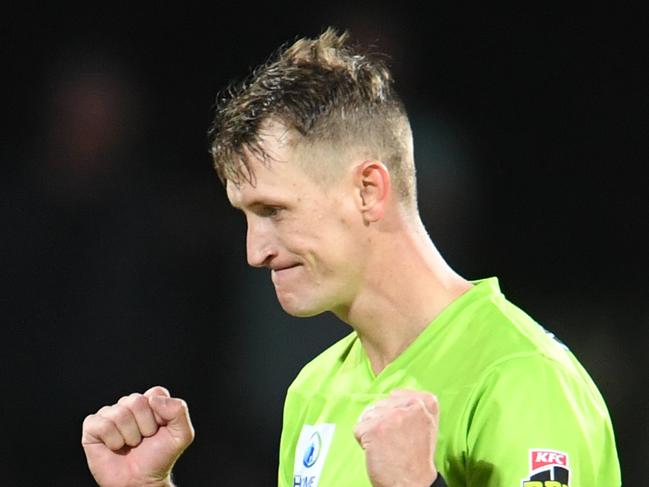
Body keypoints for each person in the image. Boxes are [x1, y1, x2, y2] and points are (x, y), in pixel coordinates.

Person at [81, 28, 621, 487]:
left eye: (275, 210)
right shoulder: (314, 392)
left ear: (368, 190)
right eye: (245, 215)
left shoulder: (522, 378)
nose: (255, 251)